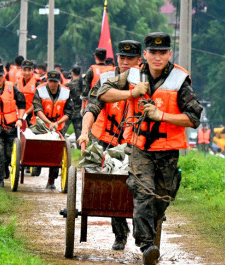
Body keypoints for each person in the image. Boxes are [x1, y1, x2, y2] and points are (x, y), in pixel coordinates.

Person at [96, 32, 202, 265]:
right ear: (145, 54)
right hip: (139, 146)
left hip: (167, 150)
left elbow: (194, 117)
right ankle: (146, 245)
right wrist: (131, 93)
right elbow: (101, 92)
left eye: (162, 52)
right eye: (153, 52)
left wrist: (161, 115)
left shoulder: (179, 79)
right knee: (143, 190)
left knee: (161, 198)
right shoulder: (132, 75)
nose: (157, 57)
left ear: (169, 54)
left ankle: (149, 234)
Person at [78, 40, 142, 251]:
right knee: (111, 182)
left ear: (139, 60)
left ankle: (144, 230)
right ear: (116, 58)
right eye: (122, 57)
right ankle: (120, 235)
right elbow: (92, 107)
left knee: (136, 183)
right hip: (106, 140)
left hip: (134, 142)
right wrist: (84, 132)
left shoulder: (146, 82)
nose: (125, 62)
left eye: (130, 58)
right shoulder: (105, 80)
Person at [31, 70, 73, 188]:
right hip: (40, 124)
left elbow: (69, 112)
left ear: (59, 82)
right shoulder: (40, 90)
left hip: (58, 126)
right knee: (35, 141)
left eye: (55, 82)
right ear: (47, 81)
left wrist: (57, 123)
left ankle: (51, 181)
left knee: (57, 151)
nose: (53, 84)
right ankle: (36, 164)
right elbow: (37, 109)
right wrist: (48, 123)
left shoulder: (66, 92)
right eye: (50, 81)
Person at [81, 48, 115, 113]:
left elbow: (85, 90)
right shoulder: (112, 70)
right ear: (105, 58)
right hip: (109, 103)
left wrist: (82, 108)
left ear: (95, 57)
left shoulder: (91, 70)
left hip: (94, 103)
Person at [16, 60, 42, 126]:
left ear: (33, 70)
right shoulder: (18, 82)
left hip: (33, 114)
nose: (27, 73)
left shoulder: (37, 83)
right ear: (21, 70)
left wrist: (26, 113)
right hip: (20, 113)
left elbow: (38, 102)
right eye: (25, 70)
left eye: (29, 70)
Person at [61, 65, 83, 141]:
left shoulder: (68, 85)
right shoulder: (83, 84)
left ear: (72, 73)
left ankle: (58, 143)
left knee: (62, 131)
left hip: (69, 112)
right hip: (79, 111)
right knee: (79, 133)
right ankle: (81, 149)